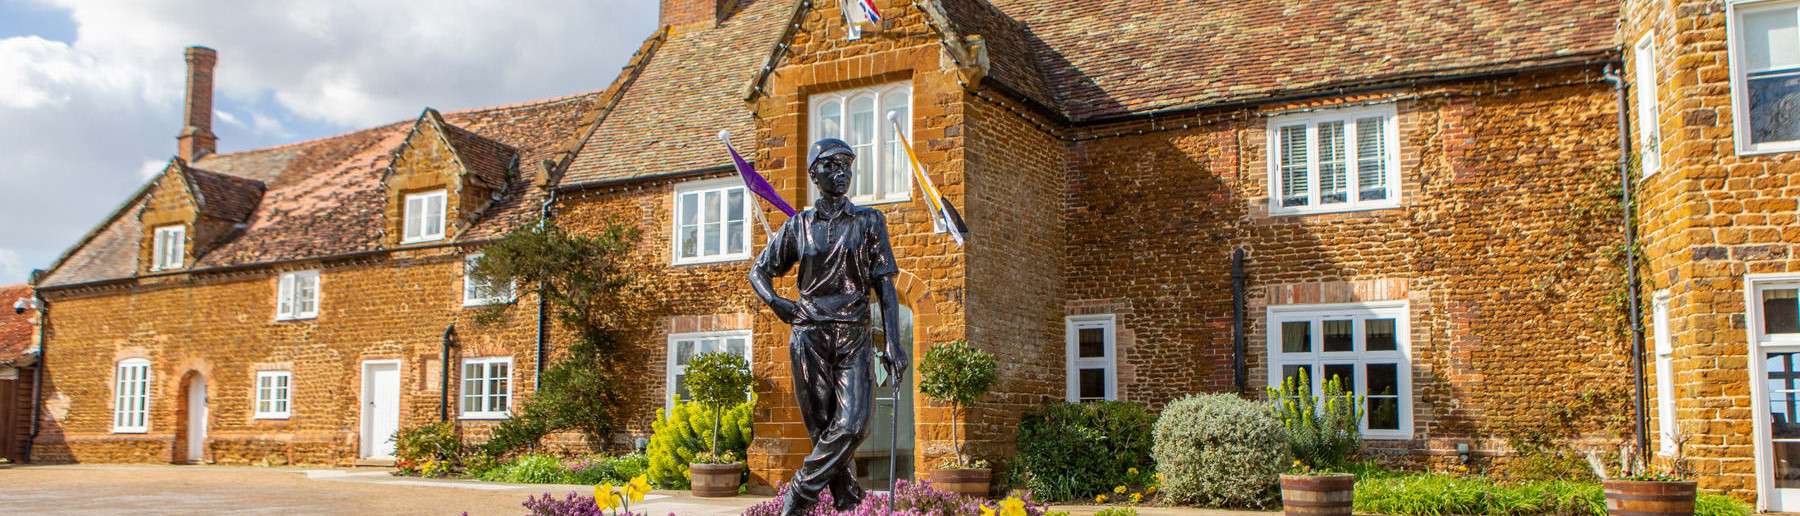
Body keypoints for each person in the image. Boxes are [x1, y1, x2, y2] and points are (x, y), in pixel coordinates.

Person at [749, 138, 909, 515]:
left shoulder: (869, 221)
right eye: (831, 166)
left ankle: (799, 493)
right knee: (822, 429)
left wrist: (893, 342)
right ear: (814, 174)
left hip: (853, 335)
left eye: (846, 166)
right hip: (809, 335)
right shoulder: (798, 226)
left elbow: (884, 282)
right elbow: (760, 271)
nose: (841, 174)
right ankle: (848, 500)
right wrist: (777, 303)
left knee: (853, 424)